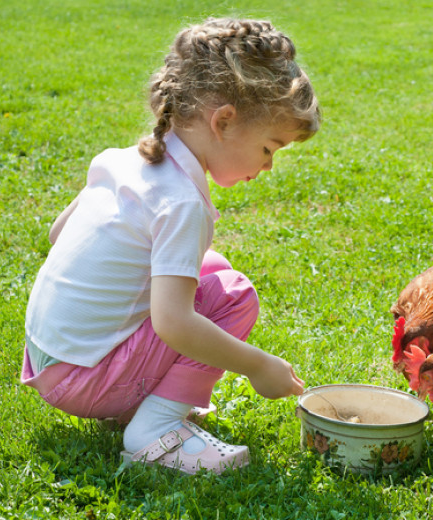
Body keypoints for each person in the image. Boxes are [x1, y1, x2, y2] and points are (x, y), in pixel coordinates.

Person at [21, 17, 321, 475]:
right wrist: (259, 367)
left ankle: (138, 400)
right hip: (85, 379)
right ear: (223, 121)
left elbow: (58, 235)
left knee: (209, 268)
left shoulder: (122, 161)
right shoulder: (182, 202)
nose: (269, 167)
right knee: (231, 294)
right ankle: (155, 431)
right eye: (269, 148)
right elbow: (174, 324)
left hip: (48, 360)